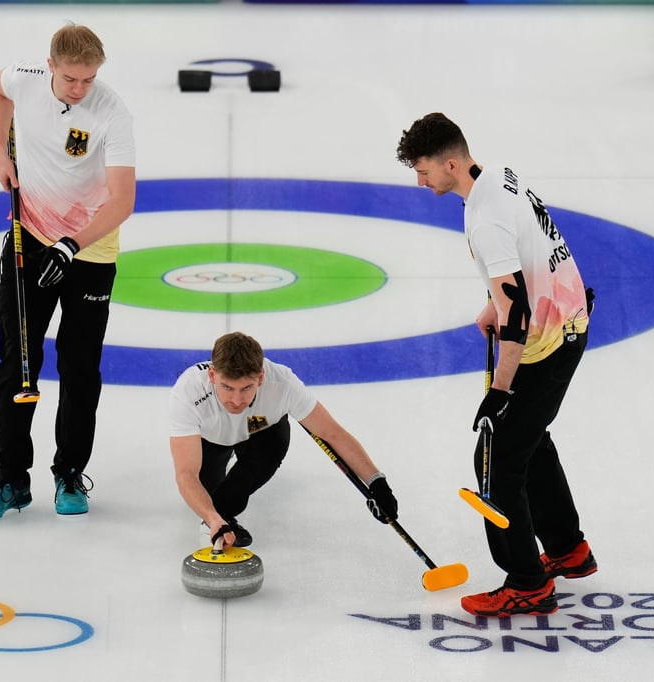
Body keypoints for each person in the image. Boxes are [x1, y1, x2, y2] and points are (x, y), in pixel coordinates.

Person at [396, 112, 596, 617]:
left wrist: (500, 392)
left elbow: (519, 316)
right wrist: (495, 303)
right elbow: (534, 250)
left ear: (451, 163)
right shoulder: (498, 176)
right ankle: (568, 548)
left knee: (496, 460)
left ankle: (527, 582)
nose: (420, 182)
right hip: (567, 320)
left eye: (423, 171)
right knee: (529, 441)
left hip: (545, 341)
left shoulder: (482, 217)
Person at [0, 24, 136, 520]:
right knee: (15, 364)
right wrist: (1, 150)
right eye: (70, 80)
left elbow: (122, 200)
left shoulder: (112, 112)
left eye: (89, 79)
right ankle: (11, 481)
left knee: (80, 368)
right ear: (50, 66)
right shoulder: (24, 79)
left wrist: (72, 243)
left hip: (90, 252)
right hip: (30, 243)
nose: (80, 89)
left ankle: (69, 475)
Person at [169, 331, 399, 549]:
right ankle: (217, 510)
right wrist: (209, 516)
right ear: (212, 376)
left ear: (260, 378)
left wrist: (377, 483)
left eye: (246, 388)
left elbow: (332, 433)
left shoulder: (283, 384)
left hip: (256, 429)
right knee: (204, 492)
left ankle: (225, 512)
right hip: (210, 436)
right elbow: (186, 474)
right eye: (227, 388)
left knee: (234, 490)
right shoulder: (189, 391)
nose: (236, 400)